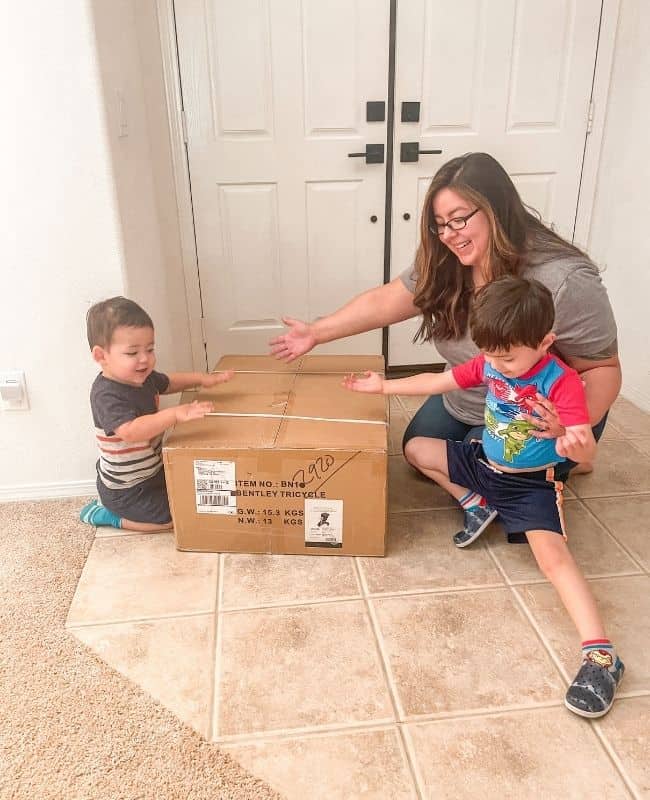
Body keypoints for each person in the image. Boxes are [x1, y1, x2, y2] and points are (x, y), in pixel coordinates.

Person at [269, 152, 620, 542]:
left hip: (536, 413)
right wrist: (317, 332)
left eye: (459, 219)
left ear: (496, 208)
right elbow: (387, 301)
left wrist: (571, 430)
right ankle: (561, 465)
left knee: (495, 475)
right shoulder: (446, 258)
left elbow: (603, 368)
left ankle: (565, 464)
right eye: (440, 225)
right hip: (472, 392)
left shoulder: (564, 278)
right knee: (416, 451)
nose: (450, 235)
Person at [342, 275, 624, 719]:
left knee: (553, 559)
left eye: (508, 357)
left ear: (546, 341)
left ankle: (601, 656)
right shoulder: (491, 362)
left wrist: (569, 441)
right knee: (417, 449)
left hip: (530, 483)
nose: (497, 364)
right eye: (490, 353)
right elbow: (439, 382)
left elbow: (586, 443)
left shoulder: (562, 382)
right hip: (484, 465)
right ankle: (478, 504)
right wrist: (383, 387)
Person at [80, 296, 234, 532]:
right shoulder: (106, 395)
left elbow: (169, 382)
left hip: (152, 470)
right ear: (101, 356)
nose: (145, 359)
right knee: (174, 519)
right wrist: (175, 414)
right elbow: (130, 431)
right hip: (127, 489)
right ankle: (107, 515)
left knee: (197, 494)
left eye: (150, 349)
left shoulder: (142, 376)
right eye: (132, 353)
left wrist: (203, 379)